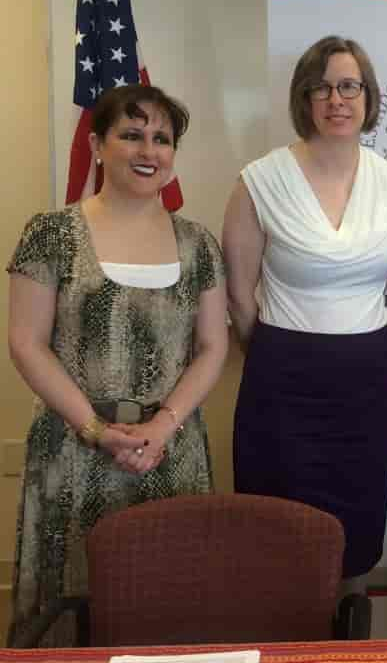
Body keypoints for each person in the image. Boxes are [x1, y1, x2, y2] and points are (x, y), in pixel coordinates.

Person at [6, 85, 229, 646]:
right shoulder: (51, 234)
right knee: (69, 608)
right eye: (131, 135)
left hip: (169, 450)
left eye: (161, 138)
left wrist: (160, 426)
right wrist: (97, 430)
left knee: (168, 602)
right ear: (97, 144)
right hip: (73, 449)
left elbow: (212, 347)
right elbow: (26, 343)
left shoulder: (198, 243)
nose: (147, 149)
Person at [223, 36, 387, 594]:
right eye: (321, 87)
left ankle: (348, 646)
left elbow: (386, 276)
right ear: (303, 98)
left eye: (349, 85)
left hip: (365, 380)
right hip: (283, 378)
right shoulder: (259, 179)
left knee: (355, 538)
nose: (336, 99)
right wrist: (283, 352)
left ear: (367, 96)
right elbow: (239, 296)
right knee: (277, 538)